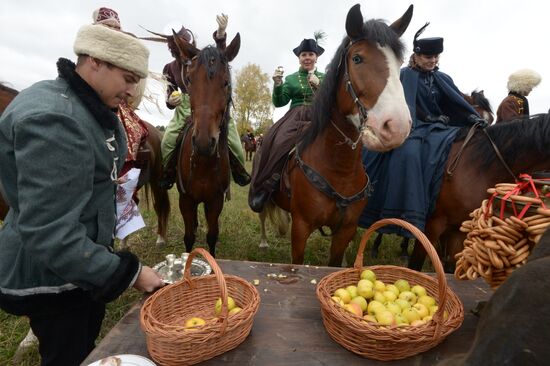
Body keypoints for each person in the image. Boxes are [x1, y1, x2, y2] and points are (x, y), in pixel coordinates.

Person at [0, 12, 164, 366]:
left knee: (83, 343)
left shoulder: (83, 108)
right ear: (95, 61)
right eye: (128, 78)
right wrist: (131, 273)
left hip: (78, 271)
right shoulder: (57, 120)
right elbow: (50, 233)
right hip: (54, 277)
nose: (132, 91)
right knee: (66, 353)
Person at [358, 23, 485, 236]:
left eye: (435, 57)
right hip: (412, 128)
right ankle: (404, 213)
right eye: (428, 57)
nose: (432, 61)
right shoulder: (405, 75)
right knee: (407, 154)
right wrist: (427, 116)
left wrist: (472, 117)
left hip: (440, 129)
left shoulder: (443, 78)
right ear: (415, 56)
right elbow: (403, 104)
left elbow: (455, 103)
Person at [145, 15, 250, 190]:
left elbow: (220, 58)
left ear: (187, 42)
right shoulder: (169, 68)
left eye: (177, 46)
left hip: (207, 103)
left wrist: (221, 35)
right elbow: (169, 98)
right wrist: (171, 101)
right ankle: (168, 172)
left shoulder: (202, 59)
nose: (175, 51)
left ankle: (239, 169)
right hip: (184, 108)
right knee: (168, 141)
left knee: (234, 142)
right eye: (171, 47)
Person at [248, 36, 325, 212]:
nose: (307, 57)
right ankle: (268, 185)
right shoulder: (290, 79)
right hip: (295, 115)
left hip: (320, 115)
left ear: (316, 57)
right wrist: (277, 85)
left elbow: (333, 101)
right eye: (304, 54)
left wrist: (320, 86)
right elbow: (280, 102)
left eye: (310, 54)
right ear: (299, 58)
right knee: (276, 140)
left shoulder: (325, 77)